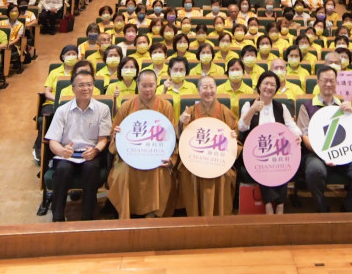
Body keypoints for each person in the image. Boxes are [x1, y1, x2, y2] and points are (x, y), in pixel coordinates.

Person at [296, 66, 352, 213]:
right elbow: (305, 136)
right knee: (314, 171)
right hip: (317, 154)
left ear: (336, 82)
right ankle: (322, 207)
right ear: (318, 82)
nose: (328, 84)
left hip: (344, 153)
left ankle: (349, 207)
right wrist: (325, 154)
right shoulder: (307, 106)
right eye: (325, 80)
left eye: (332, 81)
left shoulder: (344, 106)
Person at [45, 70, 111, 222]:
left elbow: (103, 139)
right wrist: (62, 151)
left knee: (91, 168)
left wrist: (95, 151)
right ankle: (58, 217)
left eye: (89, 85)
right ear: (73, 88)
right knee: (63, 169)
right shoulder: (62, 110)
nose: (86, 88)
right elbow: (52, 141)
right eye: (81, 85)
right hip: (68, 154)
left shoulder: (103, 109)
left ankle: (87, 217)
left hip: (90, 154)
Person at [107, 70, 175, 218]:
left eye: (151, 85)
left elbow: (172, 136)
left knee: (159, 171)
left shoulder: (166, 107)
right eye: (144, 85)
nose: (148, 89)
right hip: (129, 155)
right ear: (137, 85)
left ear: (157, 85)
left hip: (155, 154)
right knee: (124, 172)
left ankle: (153, 212)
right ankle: (125, 212)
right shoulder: (127, 106)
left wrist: (171, 159)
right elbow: (114, 136)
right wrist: (117, 134)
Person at [239, 71, 302, 214]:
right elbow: (241, 127)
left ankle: (277, 204)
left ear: (276, 89)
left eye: (273, 85)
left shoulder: (281, 107)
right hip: (255, 152)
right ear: (259, 86)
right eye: (266, 83)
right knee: (263, 163)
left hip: (277, 151)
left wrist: (297, 134)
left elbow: (292, 126)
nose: (269, 87)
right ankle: (272, 203)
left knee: (283, 163)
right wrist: (252, 110)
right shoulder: (249, 104)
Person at [176, 77, 239, 217]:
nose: (208, 91)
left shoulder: (225, 112)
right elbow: (182, 138)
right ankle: (194, 216)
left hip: (218, 158)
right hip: (194, 159)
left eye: (211, 87)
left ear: (216, 89)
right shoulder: (190, 111)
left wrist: (233, 137)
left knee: (225, 176)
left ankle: (219, 216)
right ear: (198, 90)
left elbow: (235, 139)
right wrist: (181, 123)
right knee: (189, 173)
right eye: (204, 87)